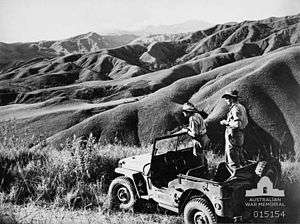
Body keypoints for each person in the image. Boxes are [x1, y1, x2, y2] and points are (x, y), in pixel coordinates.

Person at [220, 90, 248, 170]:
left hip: (234, 136)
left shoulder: (235, 109)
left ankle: (235, 178)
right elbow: (245, 122)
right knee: (239, 156)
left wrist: (226, 123)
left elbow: (237, 124)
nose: (226, 100)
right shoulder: (241, 107)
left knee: (232, 158)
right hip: (238, 135)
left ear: (231, 99)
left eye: (227, 98)